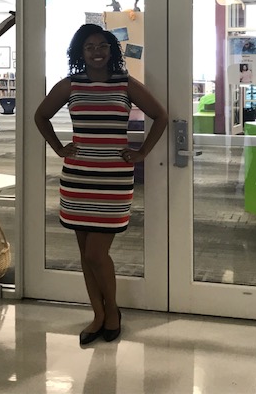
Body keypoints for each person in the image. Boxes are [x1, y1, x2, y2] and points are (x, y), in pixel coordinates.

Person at [34, 24, 168, 345]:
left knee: (96, 253)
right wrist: (59, 148)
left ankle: (113, 311)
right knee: (85, 254)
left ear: (111, 50)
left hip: (113, 179)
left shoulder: (125, 83)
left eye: (102, 46)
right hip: (78, 179)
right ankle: (98, 314)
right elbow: (40, 116)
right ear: (80, 52)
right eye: (90, 47)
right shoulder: (70, 85)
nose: (97, 52)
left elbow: (161, 116)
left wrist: (142, 152)